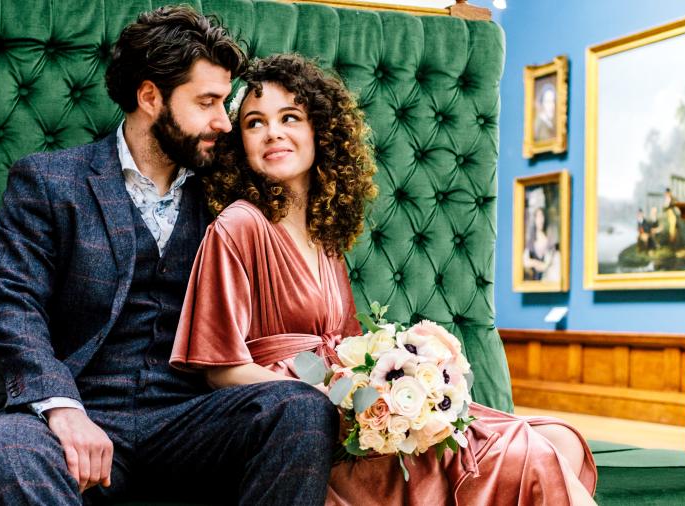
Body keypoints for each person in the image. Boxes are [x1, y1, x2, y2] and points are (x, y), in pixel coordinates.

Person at [171, 53, 598, 505]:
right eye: (255, 123)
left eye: (290, 117)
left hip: (361, 412)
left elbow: (350, 351)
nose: (273, 132)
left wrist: (396, 386)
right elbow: (220, 371)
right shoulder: (239, 225)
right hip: (311, 427)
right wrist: (319, 398)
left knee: (561, 440)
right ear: (241, 142)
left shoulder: (325, 236)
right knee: (530, 452)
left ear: (320, 131)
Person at [0, 7, 338, 505]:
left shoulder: (229, 193)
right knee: (6, 452)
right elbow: (9, 307)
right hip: (81, 404)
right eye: (207, 102)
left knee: (299, 410)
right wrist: (64, 410)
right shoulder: (50, 182)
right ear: (150, 97)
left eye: (225, 103)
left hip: (192, 419)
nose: (223, 123)